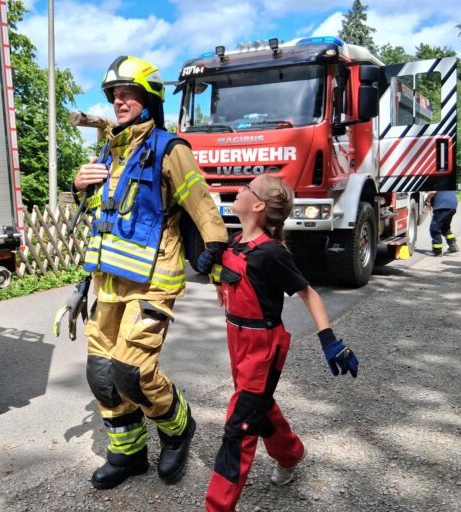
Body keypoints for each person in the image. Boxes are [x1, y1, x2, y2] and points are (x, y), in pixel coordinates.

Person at [72, 56, 229, 490]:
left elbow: (198, 200)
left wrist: (216, 249)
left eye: (127, 94)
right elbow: (100, 211)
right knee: (102, 375)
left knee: (132, 372)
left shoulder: (169, 148)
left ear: (148, 100)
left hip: (154, 278)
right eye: (114, 96)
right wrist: (78, 187)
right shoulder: (109, 149)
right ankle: (129, 454)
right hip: (108, 278)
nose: (118, 102)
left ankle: (178, 427)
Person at [204, 175, 359, 512]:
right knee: (259, 406)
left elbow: (308, 292)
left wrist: (330, 340)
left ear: (258, 206)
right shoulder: (234, 242)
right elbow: (229, 279)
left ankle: (218, 506)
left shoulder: (272, 253)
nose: (240, 189)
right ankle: (291, 454)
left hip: (263, 347)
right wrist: (212, 270)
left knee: (238, 427)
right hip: (237, 339)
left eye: (247, 188)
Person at [424, 189, 459, 256]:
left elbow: (433, 192)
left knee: (434, 228)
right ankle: (453, 246)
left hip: (442, 205)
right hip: (452, 206)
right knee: (445, 227)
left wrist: (427, 198)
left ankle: (437, 251)